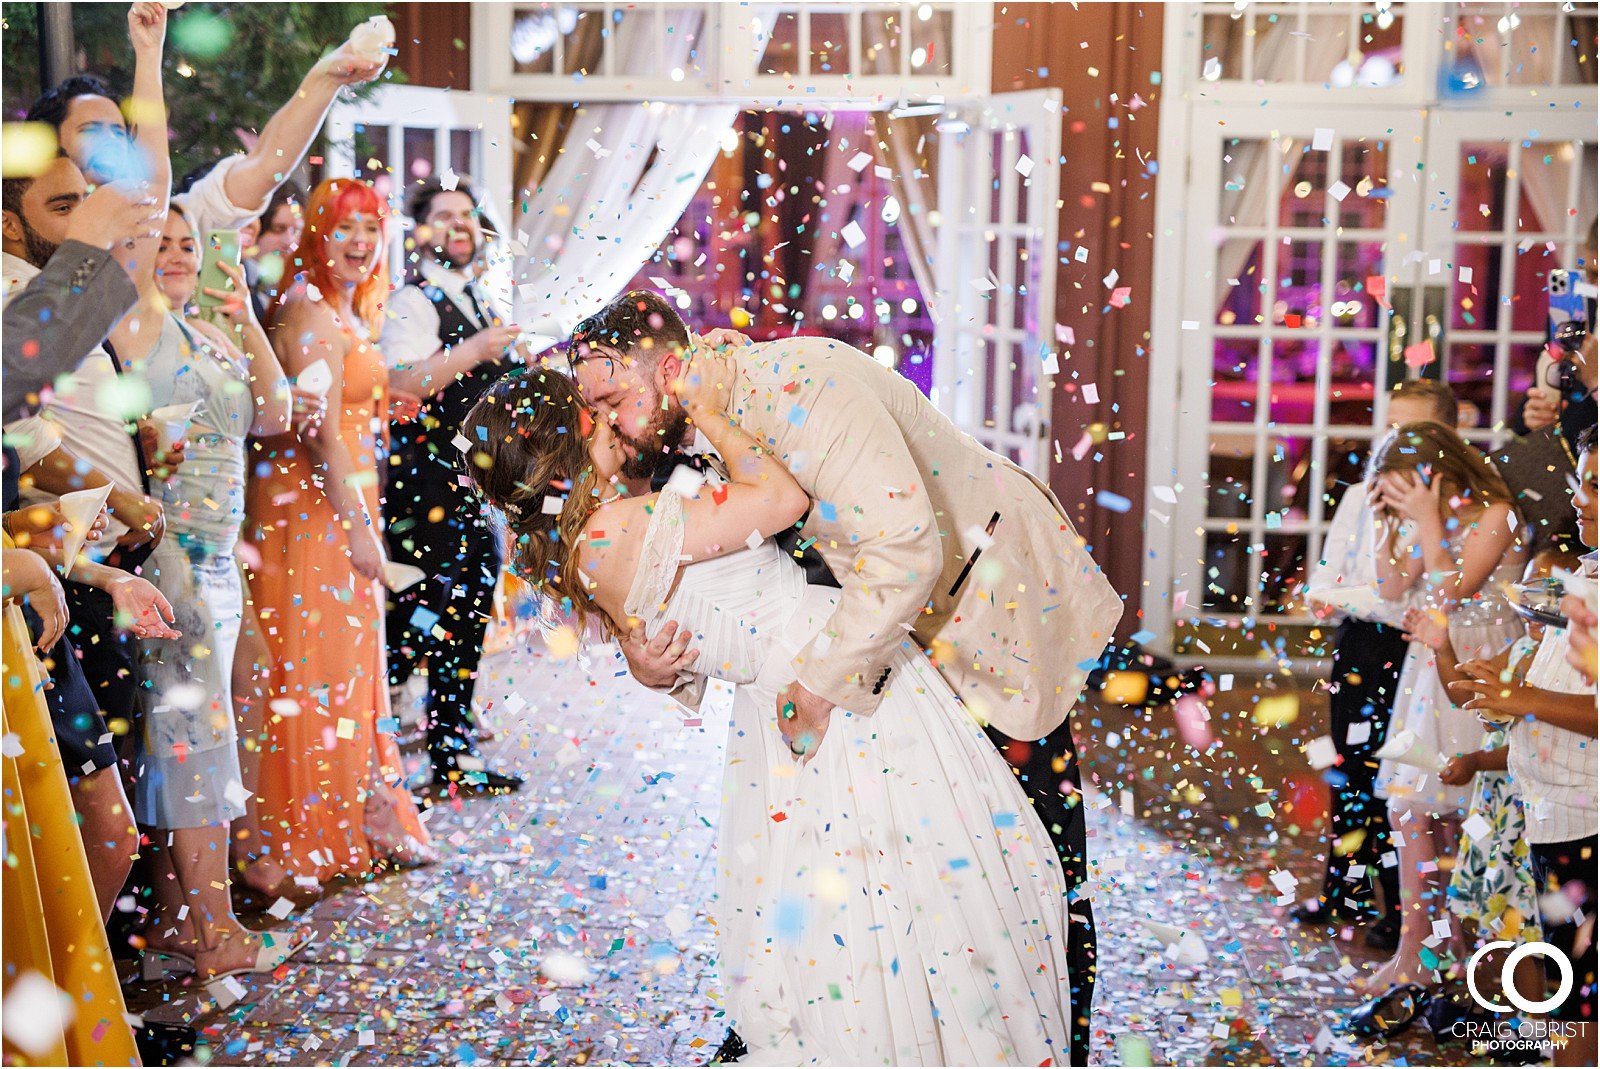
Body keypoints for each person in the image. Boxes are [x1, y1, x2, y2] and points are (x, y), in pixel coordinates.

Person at [568, 289, 1122, 1063]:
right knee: (890, 881)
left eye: (613, 401)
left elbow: (905, 550)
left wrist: (814, 687)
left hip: (985, 613)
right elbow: (702, 583)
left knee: (1034, 863)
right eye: (592, 412)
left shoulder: (801, 386)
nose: (607, 427)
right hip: (885, 655)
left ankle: (1063, 1041)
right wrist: (650, 663)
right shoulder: (676, 433)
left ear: (667, 368)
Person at [461, 366, 1072, 1063]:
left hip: (774, 708)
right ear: (574, 426)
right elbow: (781, 497)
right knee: (925, 898)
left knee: (858, 912)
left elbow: (685, 633)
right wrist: (708, 408)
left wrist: (648, 665)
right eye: (591, 407)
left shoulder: (590, 544)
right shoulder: (623, 524)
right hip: (827, 688)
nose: (609, 414)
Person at [117, 199, 301, 977]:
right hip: (170, 558)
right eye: (159, 241)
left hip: (220, 566)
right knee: (196, 749)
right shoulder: (136, 328)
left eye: (187, 242)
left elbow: (278, 413)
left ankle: (179, 922)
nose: (177, 253)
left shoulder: (209, 333)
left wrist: (247, 315)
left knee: (185, 745)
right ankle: (215, 931)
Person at [247, 178, 434, 886]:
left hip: (344, 503)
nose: (359, 242)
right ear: (315, 236)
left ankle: (359, 810)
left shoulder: (345, 309)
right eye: (343, 228)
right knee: (317, 667)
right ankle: (304, 831)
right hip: (314, 513)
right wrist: (360, 532)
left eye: (370, 228)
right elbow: (319, 438)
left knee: (350, 667)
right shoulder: (308, 309)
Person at [1358, 421, 1527, 1003]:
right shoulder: (1427, 519)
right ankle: (1421, 950)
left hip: (1483, 664)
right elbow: (1388, 585)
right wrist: (1386, 523)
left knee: (1461, 813)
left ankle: (1454, 949)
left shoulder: (1497, 512)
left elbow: (1455, 591)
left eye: (1407, 491)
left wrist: (1428, 522)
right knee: (1411, 810)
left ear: (1437, 474)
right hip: (1432, 665)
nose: (1404, 505)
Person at [1296, 378, 1461, 949]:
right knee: (1350, 763)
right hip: (1359, 641)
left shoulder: (1450, 504)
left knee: (1397, 775)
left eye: (1413, 430)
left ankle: (1400, 907)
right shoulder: (1359, 494)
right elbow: (1331, 570)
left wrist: (1360, 592)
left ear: (1448, 433)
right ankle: (1346, 886)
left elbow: (1409, 596)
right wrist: (1335, 592)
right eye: (1391, 427)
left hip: (1411, 648)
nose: (1396, 442)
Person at [1450, 426, 1598, 1063]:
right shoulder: (1588, 571)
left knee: (1580, 1001)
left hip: (1587, 813)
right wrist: (1510, 681)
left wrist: (1524, 701)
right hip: (1552, 811)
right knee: (1565, 992)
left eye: (1594, 485)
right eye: (1580, 481)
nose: (1579, 499)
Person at [380, 176, 523, 793]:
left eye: (467, 214)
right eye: (443, 215)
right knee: (424, 611)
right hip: (426, 484)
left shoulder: (477, 297)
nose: (458, 224)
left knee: (461, 613)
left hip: (472, 481)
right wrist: (477, 350)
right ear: (422, 231)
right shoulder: (412, 302)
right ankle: (404, 738)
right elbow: (403, 382)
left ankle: (447, 748)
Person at [2, 534, 140, 1067]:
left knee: (112, 837)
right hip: (17, 608)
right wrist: (30, 566)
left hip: (32, 634)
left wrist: (57, 535)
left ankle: (49, 1030)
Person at [2, 179, 158, 421]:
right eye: (63, 207)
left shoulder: (75, 297)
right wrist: (87, 242)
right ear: (9, 225)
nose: (80, 219)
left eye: (87, 205)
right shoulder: (11, 291)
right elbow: (15, 374)